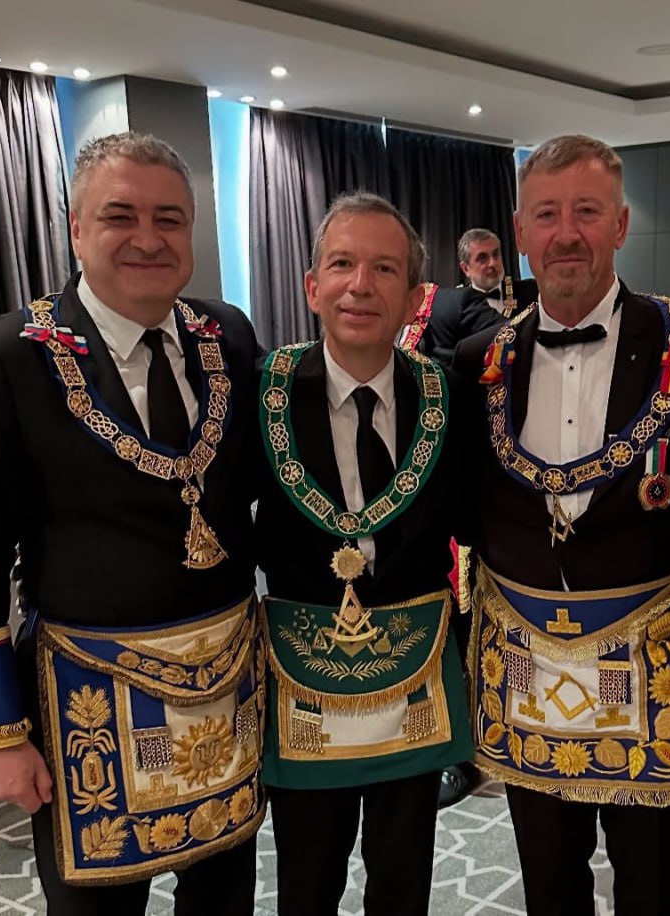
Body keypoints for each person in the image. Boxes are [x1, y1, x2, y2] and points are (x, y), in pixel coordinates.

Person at [0, 132, 265, 915]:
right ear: (77, 229)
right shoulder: (4, 357)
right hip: (89, 704)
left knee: (225, 902)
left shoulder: (227, 335)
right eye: (120, 216)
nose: (149, 238)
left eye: (170, 219)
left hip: (225, 694)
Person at [451, 134, 670, 915]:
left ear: (619, 224)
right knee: (548, 885)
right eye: (547, 214)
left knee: (652, 887)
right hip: (524, 668)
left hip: (652, 667)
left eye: (586, 211)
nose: (566, 234)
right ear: (520, 232)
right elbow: (465, 511)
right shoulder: (476, 361)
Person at [255, 190, 472, 915]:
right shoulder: (263, 392)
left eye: (384, 269)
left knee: (403, 880)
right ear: (312, 286)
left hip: (413, 667)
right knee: (308, 882)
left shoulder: (446, 394)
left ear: (413, 297)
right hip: (306, 672)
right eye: (342, 264)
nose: (360, 285)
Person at [416, 229, 537, 366]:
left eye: (496, 255)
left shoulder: (530, 291)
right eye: (482, 258)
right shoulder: (455, 307)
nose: (493, 263)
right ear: (466, 268)